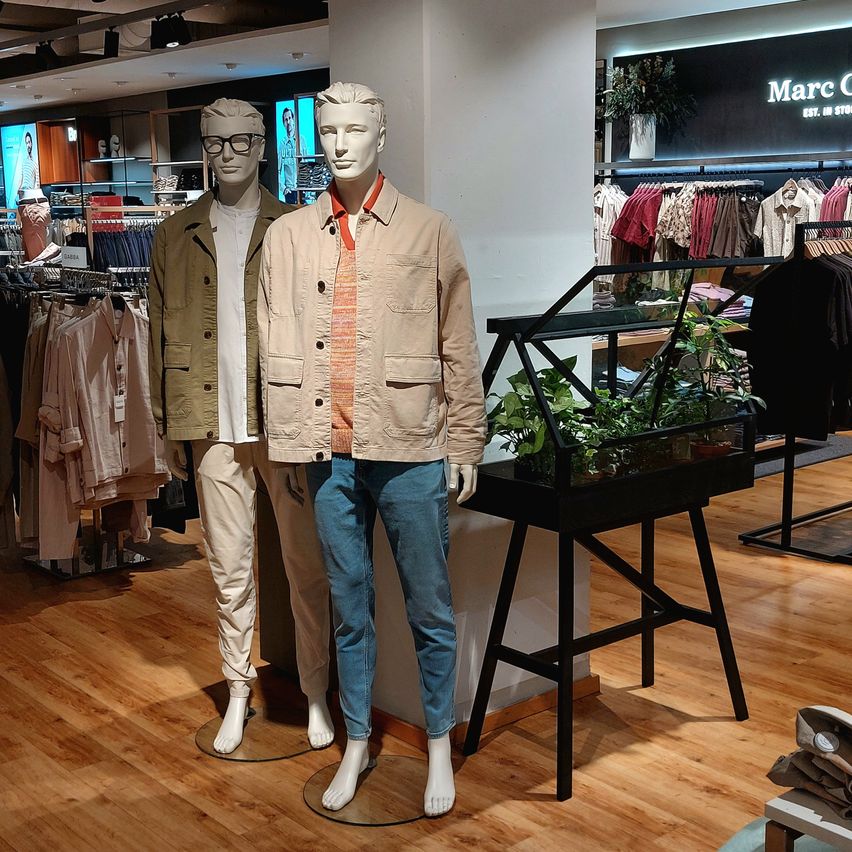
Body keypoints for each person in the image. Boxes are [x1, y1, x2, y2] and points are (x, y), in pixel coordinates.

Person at [259, 82, 486, 816]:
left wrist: (466, 439)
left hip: (412, 447)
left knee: (430, 607)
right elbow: (272, 347)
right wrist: (288, 446)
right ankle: (357, 740)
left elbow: (458, 346)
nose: (341, 141)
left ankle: (440, 747)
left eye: (356, 128)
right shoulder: (289, 236)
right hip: (328, 456)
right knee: (349, 605)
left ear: (380, 135)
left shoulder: (429, 230)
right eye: (328, 129)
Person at [148, 98, 333, 756]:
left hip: (282, 425)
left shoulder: (298, 225)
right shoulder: (174, 234)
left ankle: (315, 690)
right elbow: (156, 337)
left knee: (305, 567)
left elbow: (322, 332)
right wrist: (168, 427)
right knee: (229, 570)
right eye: (216, 142)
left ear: (262, 146)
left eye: (241, 141)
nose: (228, 153)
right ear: (204, 146)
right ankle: (237, 692)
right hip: (210, 425)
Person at [277, 106, 305, 204]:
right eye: (286, 120)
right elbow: (278, 169)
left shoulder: (301, 140)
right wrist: (283, 188)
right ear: (283, 123)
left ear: (293, 119)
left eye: (290, 118)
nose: (288, 122)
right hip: (289, 191)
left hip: (301, 189)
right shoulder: (282, 144)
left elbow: (307, 165)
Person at [17, 131, 39, 198]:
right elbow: (21, 177)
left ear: (31, 143)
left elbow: (37, 183)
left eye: (29, 142)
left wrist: (35, 195)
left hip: (30, 194)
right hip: (22, 193)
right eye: (26, 143)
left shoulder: (35, 163)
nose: (28, 145)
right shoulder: (24, 162)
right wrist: (17, 192)